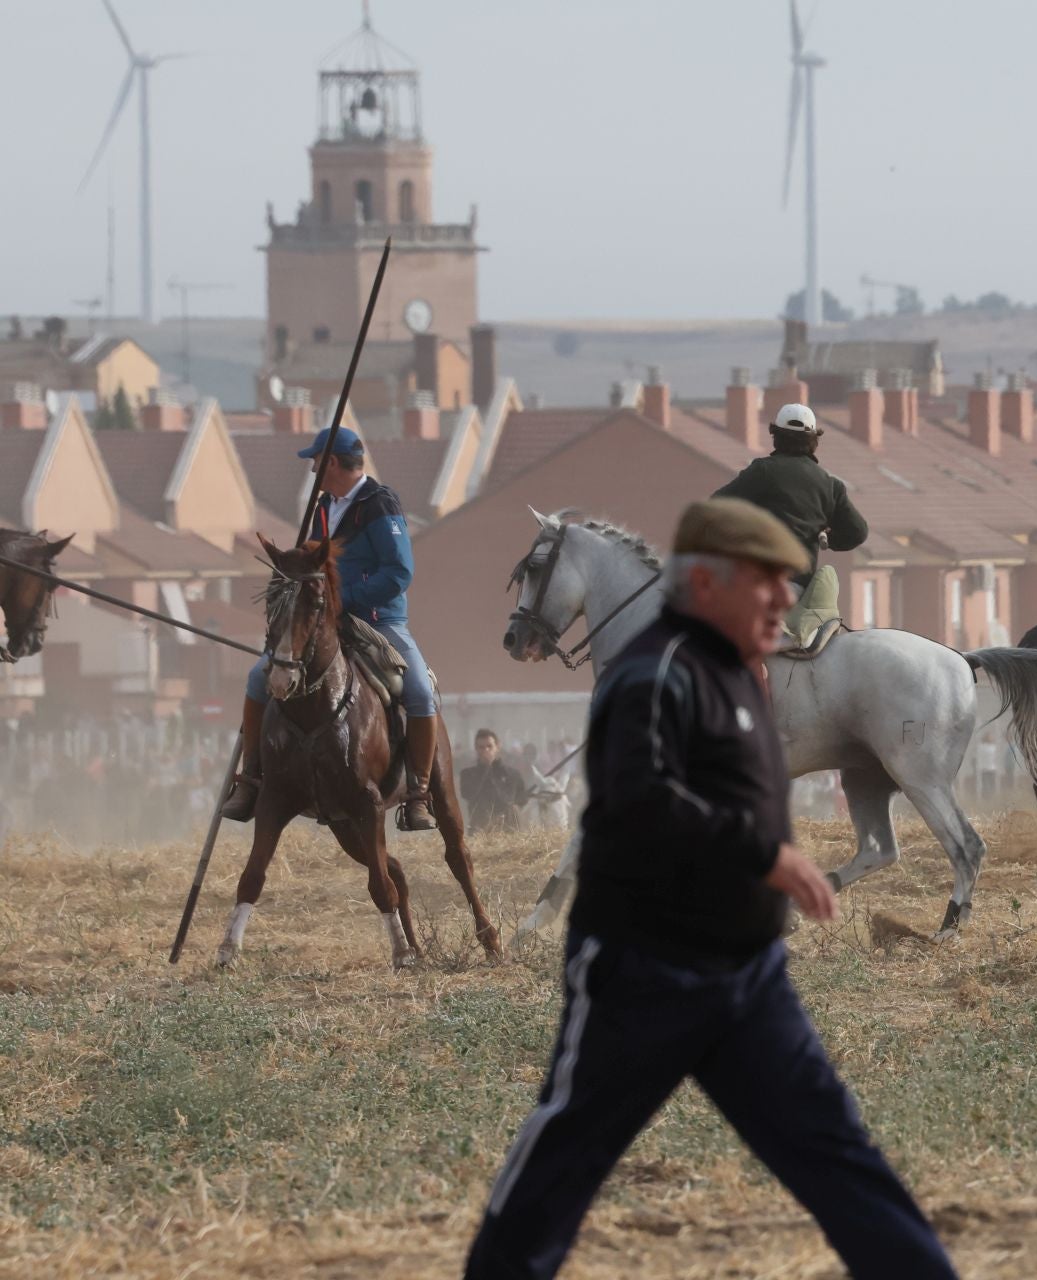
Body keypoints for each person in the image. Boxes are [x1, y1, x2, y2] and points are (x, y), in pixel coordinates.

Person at [464, 497, 957, 1280]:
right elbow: (639, 797)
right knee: (560, 1166)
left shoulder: (737, 675)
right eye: (764, 584)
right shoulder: (649, 675)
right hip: (642, 973)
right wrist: (765, 856)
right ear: (707, 585)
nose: (784, 600)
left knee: (839, 1154)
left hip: (748, 980)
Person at [220, 425, 444, 831]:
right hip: (324, 621)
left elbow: (398, 572)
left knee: (420, 693)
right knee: (259, 678)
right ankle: (251, 779)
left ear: (334, 463)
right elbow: (313, 566)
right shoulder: (323, 506)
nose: (312, 471)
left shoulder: (380, 505)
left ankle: (418, 794)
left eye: (316, 463)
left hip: (379, 620)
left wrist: (345, 599)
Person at [712, 403, 869, 641]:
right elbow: (858, 532)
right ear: (814, 440)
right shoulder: (830, 484)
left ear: (776, 436)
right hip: (801, 590)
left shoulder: (763, 471)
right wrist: (828, 539)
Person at [460, 729, 535, 833]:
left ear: (497, 747)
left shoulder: (512, 774)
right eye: (481, 747)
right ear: (476, 749)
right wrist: (485, 769)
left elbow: (518, 800)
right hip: (479, 831)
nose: (486, 750)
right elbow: (468, 795)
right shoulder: (467, 774)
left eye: (489, 746)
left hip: (509, 830)